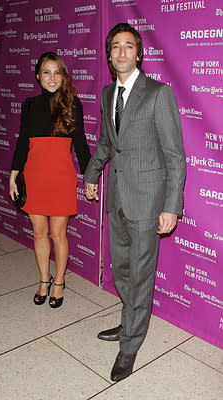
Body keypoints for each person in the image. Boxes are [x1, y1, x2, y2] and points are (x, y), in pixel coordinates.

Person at [84, 23, 186, 382]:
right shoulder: (106, 93)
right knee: (123, 270)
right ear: (110, 55)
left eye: (129, 46)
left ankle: (130, 344)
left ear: (138, 54)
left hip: (147, 203)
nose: (122, 52)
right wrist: (92, 174)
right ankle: (129, 320)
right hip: (117, 198)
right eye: (115, 47)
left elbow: (175, 156)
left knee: (141, 274)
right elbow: (107, 144)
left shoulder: (160, 93)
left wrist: (171, 206)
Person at [9, 52, 91, 308]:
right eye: (47, 72)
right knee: (39, 232)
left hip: (61, 177)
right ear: (37, 76)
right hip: (33, 175)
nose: (52, 78)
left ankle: (60, 281)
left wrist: (90, 176)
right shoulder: (29, 105)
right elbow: (23, 141)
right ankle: (44, 280)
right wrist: (14, 174)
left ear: (63, 76)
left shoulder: (73, 104)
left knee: (59, 234)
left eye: (57, 72)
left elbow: (81, 145)